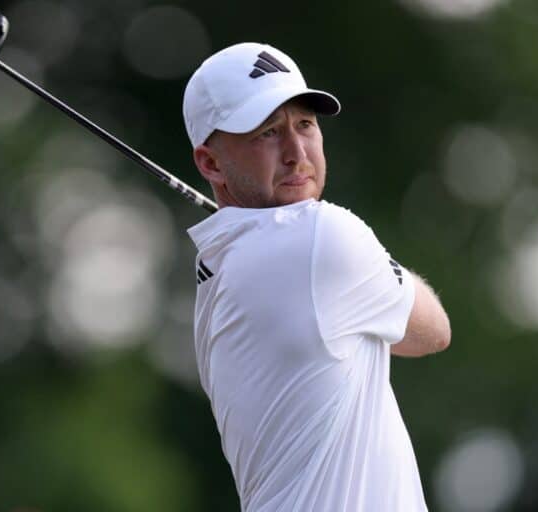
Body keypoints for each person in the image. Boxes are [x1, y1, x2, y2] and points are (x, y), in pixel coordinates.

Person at [183, 43, 451, 511]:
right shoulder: (322, 236)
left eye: (304, 124)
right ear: (210, 164)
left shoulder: (219, 268)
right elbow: (432, 331)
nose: (296, 152)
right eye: (267, 132)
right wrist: (373, 262)